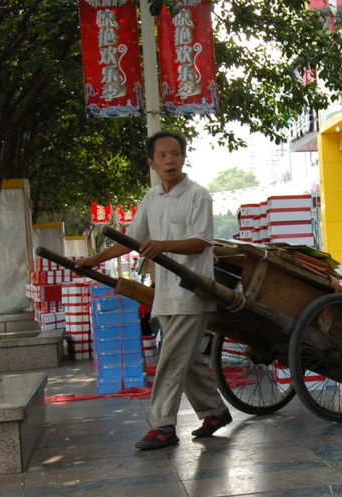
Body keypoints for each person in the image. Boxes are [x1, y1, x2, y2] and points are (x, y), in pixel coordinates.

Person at [76, 130, 232, 450]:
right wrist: (93, 260)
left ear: (183, 158)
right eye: (162, 156)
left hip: (193, 291)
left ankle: (163, 425)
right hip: (165, 293)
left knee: (171, 359)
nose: (169, 160)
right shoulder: (150, 198)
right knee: (182, 359)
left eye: (174, 154)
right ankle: (215, 412)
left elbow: (202, 241)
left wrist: (162, 246)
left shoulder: (198, 195)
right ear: (152, 162)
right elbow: (130, 241)